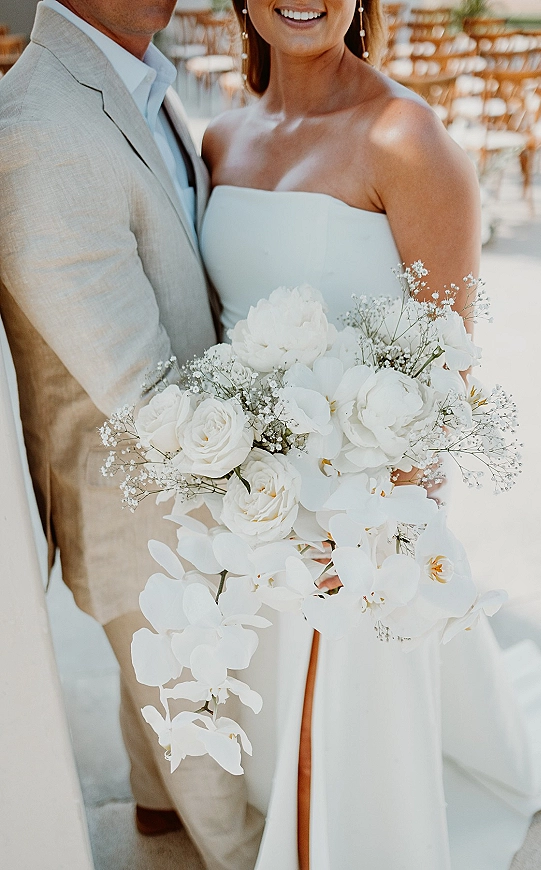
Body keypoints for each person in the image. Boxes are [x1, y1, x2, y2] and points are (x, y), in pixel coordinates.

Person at [199, 1, 541, 868]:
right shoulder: (220, 138)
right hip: (255, 498)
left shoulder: (407, 136)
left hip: (367, 503)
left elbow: (451, 356)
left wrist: (381, 517)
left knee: (342, 740)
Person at [0, 2, 262, 868]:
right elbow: (141, 394)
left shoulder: (135, 76)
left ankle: (153, 806)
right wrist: (292, 473)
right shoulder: (39, 124)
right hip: (139, 507)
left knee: (165, 703)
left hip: (173, 497)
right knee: (222, 778)